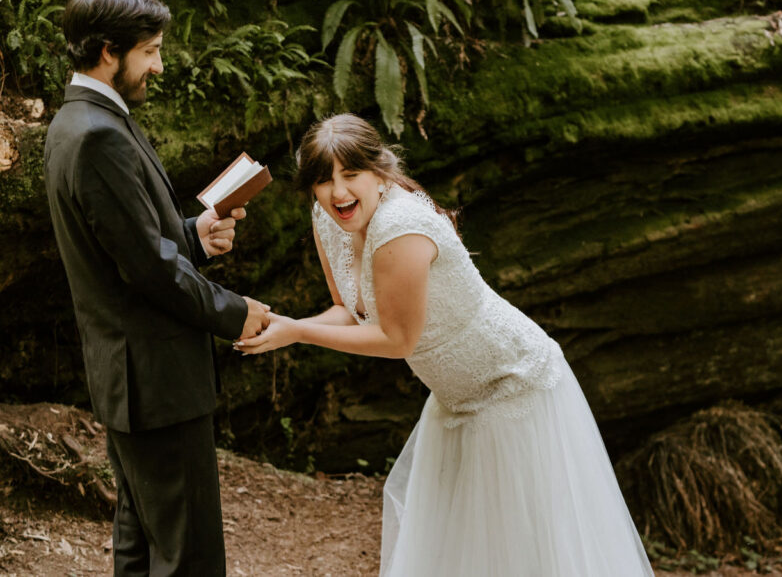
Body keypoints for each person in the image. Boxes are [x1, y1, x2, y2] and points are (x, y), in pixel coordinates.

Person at [236, 114, 654, 576]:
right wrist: (288, 325)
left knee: (524, 552)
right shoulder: (328, 217)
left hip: (512, 386)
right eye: (322, 181)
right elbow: (349, 309)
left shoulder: (400, 227)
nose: (337, 193)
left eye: (350, 175)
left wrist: (298, 332)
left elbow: (398, 339)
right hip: (456, 400)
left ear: (379, 172)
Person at [44, 0, 270, 576]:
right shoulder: (97, 136)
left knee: (142, 545)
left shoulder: (80, 121)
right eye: (150, 51)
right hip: (155, 382)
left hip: (131, 380)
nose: (159, 66)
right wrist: (233, 312)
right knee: (189, 553)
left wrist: (198, 234)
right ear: (107, 52)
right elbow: (148, 270)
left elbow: (128, 245)